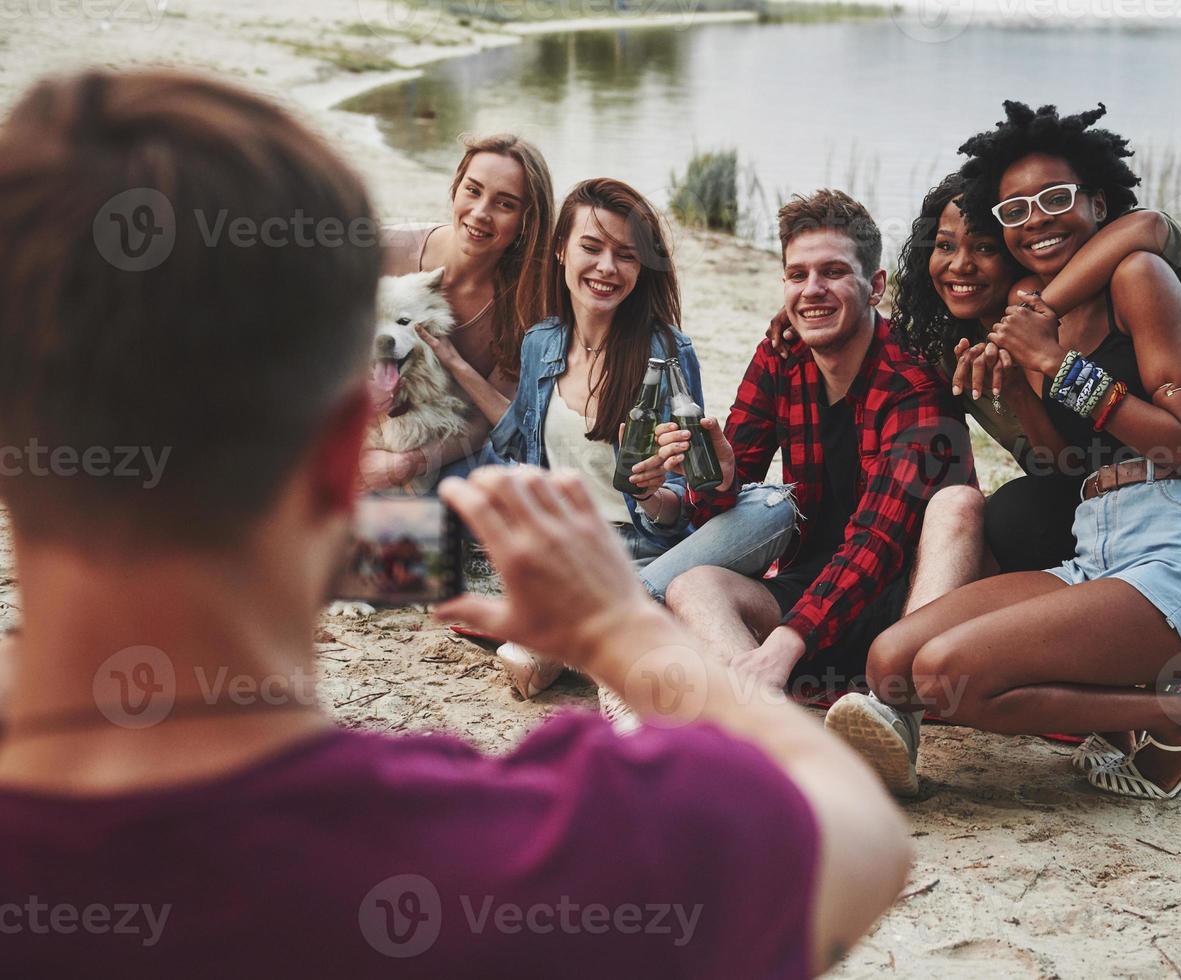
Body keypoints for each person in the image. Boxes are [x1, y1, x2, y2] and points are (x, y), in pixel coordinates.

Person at [0, 69, 910, 978]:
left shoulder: (656, 352)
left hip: (631, 533)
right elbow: (856, 831)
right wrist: (617, 632)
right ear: (343, 449)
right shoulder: (484, 858)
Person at [823, 102, 1181, 801]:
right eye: (1015, 211)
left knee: (944, 676)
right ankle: (1127, 703)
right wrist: (1022, 387)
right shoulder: (1027, 305)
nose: (1037, 220)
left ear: (1095, 202)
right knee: (892, 663)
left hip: (1175, 551)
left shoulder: (1138, 277)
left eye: (1055, 199)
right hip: (1095, 546)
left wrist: (1059, 366)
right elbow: (1066, 468)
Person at [484, 178, 797, 721]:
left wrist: (655, 494)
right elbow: (517, 456)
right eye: (591, 247)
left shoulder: (668, 353)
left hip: (649, 552)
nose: (607, 267)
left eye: (625, 255)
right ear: (561, 249)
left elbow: (682, 502)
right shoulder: (540, 343)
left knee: (774, 506)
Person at [655, 190, 974, 695]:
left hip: (902, 604)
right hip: (808, 595)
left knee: (961, 503)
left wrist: (787, 639)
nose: (812, 290)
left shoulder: (913, 385)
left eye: (833, 272)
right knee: (692, 587)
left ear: (875, 285)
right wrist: (716, 476)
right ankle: (766, 712)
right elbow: (720, 511)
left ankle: (892, 706)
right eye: (797, 275)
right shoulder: (781, 357)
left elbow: (878, 543)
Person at [361, 134, 555, 490]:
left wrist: (404, 465)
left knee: (439, 513)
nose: (481, 213)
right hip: (359, 425)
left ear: (527, 220)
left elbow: (485, 420)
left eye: (505, 204)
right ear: (456, 187)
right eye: (473, 190)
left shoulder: (528, 304)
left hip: (453, 446)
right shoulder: (386, 249)